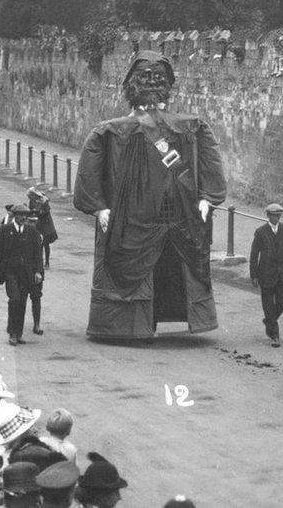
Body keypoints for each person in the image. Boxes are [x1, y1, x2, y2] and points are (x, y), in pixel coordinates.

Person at [73, 50, 227, 339]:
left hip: (154, 216)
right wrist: (98, 207)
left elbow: (211, 159)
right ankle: (139, 323)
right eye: (149, 78)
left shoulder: (185, 126)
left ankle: (141, 322)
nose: (152, 82)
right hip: (152, 215)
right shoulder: (115, 131)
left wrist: (207, 198)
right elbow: (89, 171)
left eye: (156, 78)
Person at [0, 205, 45, 345]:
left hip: (26, 274)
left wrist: (37, 271)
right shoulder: (5, 230)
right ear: (15, 215)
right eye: (21, 215)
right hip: (10, 272)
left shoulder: (31, 231)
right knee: (15, 299)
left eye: (25, 215)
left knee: (22, 302)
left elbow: (37, 254)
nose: (24, 217)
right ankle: (12, 333)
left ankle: (19, 333)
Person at [250, 203, 283, 347]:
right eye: (274, 215)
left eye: (279, 215)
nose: (277, 218)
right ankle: (275, 334)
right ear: (268, 216)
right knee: (268, 305)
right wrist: (254, 275)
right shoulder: (260, 232)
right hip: (266, 273)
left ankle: (269, 321)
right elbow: (254, 254)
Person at [27, 188, 58, 269]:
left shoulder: (43, 199)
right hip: (38, 223)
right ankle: (39, 262)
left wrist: (38, 211)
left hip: (46, 224)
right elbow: (31, 209)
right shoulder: (32, 201)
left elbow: (47, 211)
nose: (30, 199)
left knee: (46, 243)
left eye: (30, 197)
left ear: (33, 195)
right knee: (39, 243)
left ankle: (47, 262)